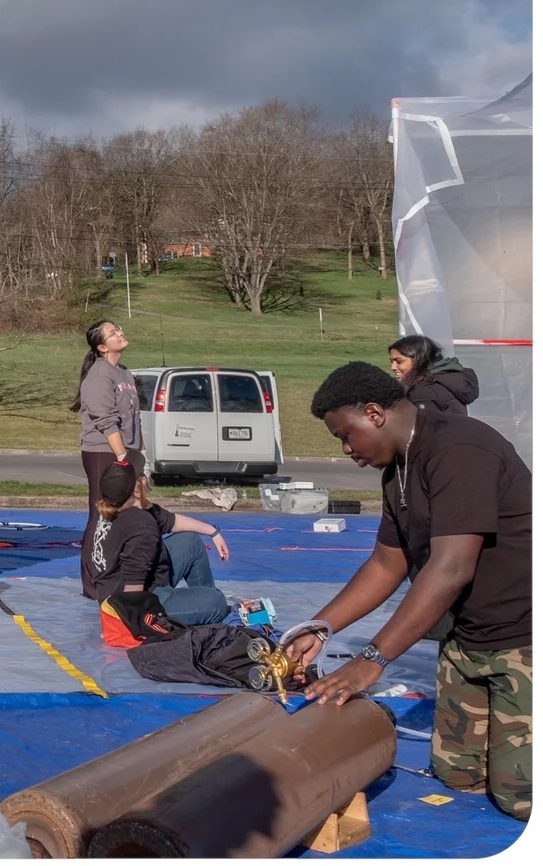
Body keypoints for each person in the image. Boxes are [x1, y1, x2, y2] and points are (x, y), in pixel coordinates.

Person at [285, 362, 530, 820]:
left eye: (346, 435)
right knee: (458, 776)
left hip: (524, 637)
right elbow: (386, 563)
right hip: (467, 640)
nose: (347, 450)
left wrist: (371, 660)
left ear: (374, 413)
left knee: (520, 798)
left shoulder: (459, 448)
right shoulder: (397, 470)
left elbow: (452, 568)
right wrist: (319, 627)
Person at [88, 461, 229, 625]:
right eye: (143, 474)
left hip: (125, 586)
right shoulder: (141, 526)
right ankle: (207, 607)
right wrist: (129, 624)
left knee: (191, 541)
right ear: (137, 491)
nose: (147, 475)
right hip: (135, 603)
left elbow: (172, 521)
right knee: (218, 602)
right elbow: (133, 588)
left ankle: (202, 603)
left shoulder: (112, 506)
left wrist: (213, 532)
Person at [72, 319, 143, 598]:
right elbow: (106, 422)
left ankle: (117, 574)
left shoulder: (124, 373)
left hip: (126, 451)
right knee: (102, 515)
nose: (120, 333)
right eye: (113, 333)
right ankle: (92, 584)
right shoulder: (99, 375)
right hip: (104, 452)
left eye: (118, 329)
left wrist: (140, 456)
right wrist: (123, 457)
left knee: (124, 516)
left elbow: (133, 419)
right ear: (102, 347)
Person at [388, 334, 480, 416]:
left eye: (399, 361)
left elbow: (426, 429)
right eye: (392, 361)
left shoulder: (422, 391)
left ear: (419, 360)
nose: (393, 367)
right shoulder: (445, 382)